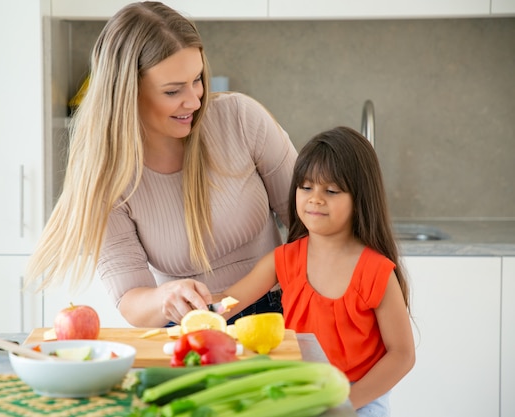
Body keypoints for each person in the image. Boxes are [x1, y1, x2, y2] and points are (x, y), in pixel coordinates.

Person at [24, 1, 298, 328]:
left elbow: (311, 226)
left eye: (196, 79)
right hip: (188, 329)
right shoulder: (109, 180)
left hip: (281, 312)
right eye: (172, 91)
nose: (195, 101)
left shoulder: (240, 119)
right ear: (128, 93)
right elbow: (131, 299)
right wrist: (165, 297)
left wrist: (232, 299)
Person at [215, 127, 415, 416]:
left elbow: (402, 355)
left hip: (359, 397)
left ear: (360, 198)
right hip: (301, 388)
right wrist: (200, 306)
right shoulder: (284, 259)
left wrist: (344, 402)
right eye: (306, 187)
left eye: (331, 191)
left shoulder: (376, 271)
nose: (315, 199)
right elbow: (229, 301)